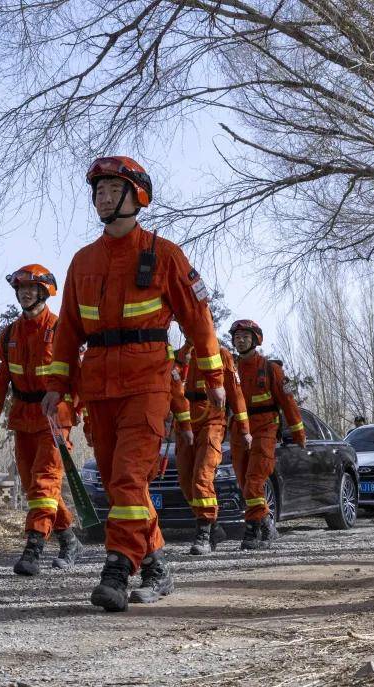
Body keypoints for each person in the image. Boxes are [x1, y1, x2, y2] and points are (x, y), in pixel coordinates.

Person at [42, 156, 226, 611]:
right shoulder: (82, 261)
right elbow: (66, 331)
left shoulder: (165, 255)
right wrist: (56, 385)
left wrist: (215, 374)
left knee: (127, 478)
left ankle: (118, 568)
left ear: (137, 196)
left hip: (147, 383)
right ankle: (157, 565)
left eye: (112, 189)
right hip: (98, 384)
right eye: (98, 191)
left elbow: (198, 319)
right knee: (120, 483)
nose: (102, 197)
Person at [0, 265, 84, 576]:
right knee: (36, 488)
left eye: (31, 288)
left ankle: (33, 549)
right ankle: (69, 541)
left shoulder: (60, 329)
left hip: (55, 417)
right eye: (21, 288)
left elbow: (78, 375)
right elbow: (2, 379)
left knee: (45, 482)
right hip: (23, 417)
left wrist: (79, 411)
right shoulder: (10, 333)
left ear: (44, 292)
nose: (25, 293)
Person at [228, 319, 305, 550]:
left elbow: (288, 403)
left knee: (253, 482)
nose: (240, 340)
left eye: (244, 336)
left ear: (255, 339)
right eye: (237, 337)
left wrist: (298, 433)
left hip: (265, 429)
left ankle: (252, 530)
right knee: (244, 485)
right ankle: (266, 526)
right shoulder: (231, 369)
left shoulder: (272, 369)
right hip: (239, 431)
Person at [173, 343, 250, 555]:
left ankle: (204, 534)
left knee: (202, 477)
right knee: (186, 480)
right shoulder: (179, 355)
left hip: (212, 422)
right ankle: (214, 528)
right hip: (184, 425)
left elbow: (235, 394)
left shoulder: (221, 354)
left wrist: (244, 430)